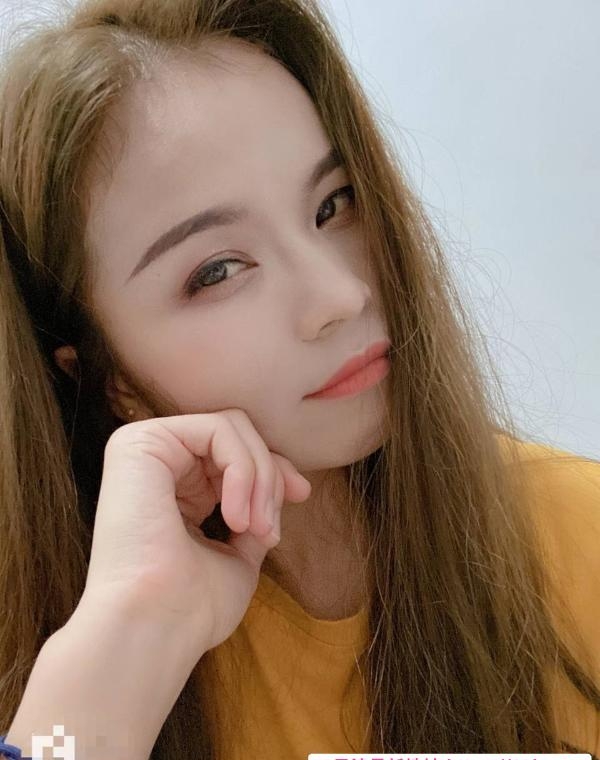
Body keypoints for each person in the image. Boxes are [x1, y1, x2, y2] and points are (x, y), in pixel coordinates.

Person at [0, 0, 598, 757]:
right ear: (105, 374)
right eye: (218, 270)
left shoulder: (575, 534)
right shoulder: (56, 655)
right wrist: (131, 638)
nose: (340, 295)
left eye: (332, 205)